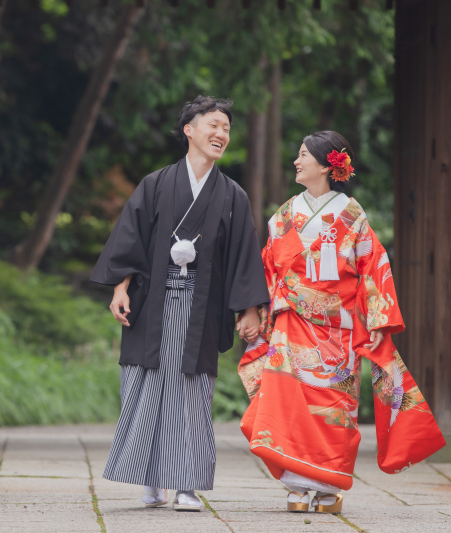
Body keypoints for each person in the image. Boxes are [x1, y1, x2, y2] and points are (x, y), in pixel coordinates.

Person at [238, 131, 446, 514]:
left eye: (303, 155)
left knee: (334, 405)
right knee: (287, 400)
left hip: (339, 328)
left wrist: (380, 317)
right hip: (292, 322)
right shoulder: (283, 215)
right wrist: (254, 311)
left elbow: (372, 267)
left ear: (324, 164)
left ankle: (328, 485)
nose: (296, 161)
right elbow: (268, 269)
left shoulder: (351, 213)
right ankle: (297, 485)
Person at [91, 96, 268, 511]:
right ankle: (151, 481)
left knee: (191, 392)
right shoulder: (155, 184)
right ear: (189, 129)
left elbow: (244, 253)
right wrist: (120, 288)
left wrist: (249, 308)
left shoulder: (232, 196)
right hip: (152, 300)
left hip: (201, 307)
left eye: (226, 127)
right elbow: (131, 239)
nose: (220, 133)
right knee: (145, 384)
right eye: (213, 124)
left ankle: (187, 484)